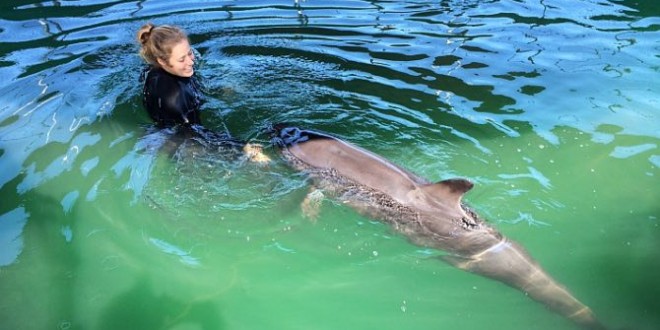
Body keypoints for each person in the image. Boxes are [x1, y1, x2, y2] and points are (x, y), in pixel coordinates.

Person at [136, 23, 269, 162]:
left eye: (190, 53)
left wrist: (219, 90)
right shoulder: (173, 98)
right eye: (182, 59)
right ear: (162, 61)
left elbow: (195, 83)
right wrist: (242, 147)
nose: (190, 61)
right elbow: (196, 134)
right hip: (176, 138)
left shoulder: (160, 70)